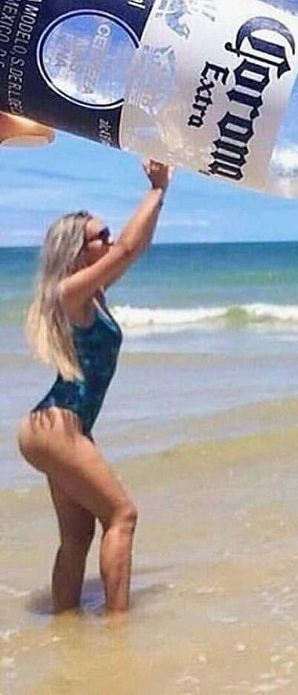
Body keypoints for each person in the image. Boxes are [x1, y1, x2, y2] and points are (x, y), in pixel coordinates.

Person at [17, 159, 172, 613]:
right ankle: (118, 630)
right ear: (77, 250)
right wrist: (155, 189)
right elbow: (126, 247)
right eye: (99, 236)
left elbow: (133, 248)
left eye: (107, 234)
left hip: (62, 426)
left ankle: (66, 626)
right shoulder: (69, 292)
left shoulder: (92, 294)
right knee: (122, 515)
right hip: (57, 424)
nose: (109, 240)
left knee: (77, 535)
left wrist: (159, 196)